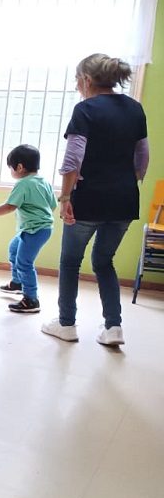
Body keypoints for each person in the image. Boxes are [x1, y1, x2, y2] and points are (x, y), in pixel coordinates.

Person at [42, 54, 150, 345]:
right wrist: (126, 182)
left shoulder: (85, 109)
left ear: (87, 80)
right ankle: (113, 327)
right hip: (125, 199)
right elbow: (142, 157)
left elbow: (73, 157)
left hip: (88, 198)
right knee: (104, 261)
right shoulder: (135, 109)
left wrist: (65, 197)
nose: (78, 87)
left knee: (70, 262)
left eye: (77, 81)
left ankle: (66, 324)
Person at [0, 145, 56, 314]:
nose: (11, 171)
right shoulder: (44, 181)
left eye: (11, 167)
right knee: (14, 249)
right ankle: (17, 283)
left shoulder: (23, 184)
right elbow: (52, 206)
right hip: (40, 229)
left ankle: (31, 299)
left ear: (19, 167)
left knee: (25, 263)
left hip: (35, 231)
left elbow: (10, 206)